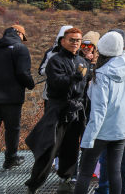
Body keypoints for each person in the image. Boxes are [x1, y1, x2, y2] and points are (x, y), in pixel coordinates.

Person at [26, 27, 91, 194]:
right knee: (50, 148)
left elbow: (84, 87)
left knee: (71, 148)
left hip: (75, 111)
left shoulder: (82, 62)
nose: (75, 43)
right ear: (63, 41)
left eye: (78, 40)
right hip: (58, 109)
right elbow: (55, 83)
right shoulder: (56, 60)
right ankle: (34, 183)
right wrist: (73, 78)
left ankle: (66, 179)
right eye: (71, 39)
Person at [73, 32, 125, 194]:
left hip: (101, 130)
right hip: (122, 129)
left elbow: (99, 110)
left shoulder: (101, 74)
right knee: (115, 171)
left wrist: (87, 139)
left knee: (85, 172)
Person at [0, 24, 34, 180]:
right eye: (23, 37)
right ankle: (10, 159)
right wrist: (30, 84)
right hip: (11, 98)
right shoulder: (20, 49)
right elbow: (23, 72)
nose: (23, 40)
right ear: (19, 34)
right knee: (12, 129)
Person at [95, 29, 125, 194]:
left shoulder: (105, 67)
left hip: (110, 121)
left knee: (107, 159)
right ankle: (123, 190)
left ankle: (104, 190)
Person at [38, 25, 73, 107]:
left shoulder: (77, 54)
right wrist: (53, 70)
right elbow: (41, 71)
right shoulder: (51, 53)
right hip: (50, 95)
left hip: (70, 95)